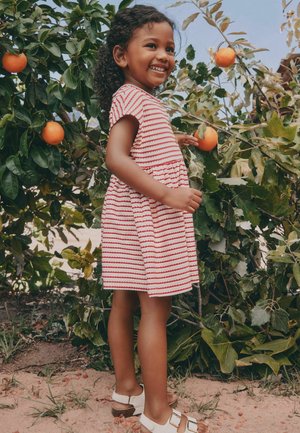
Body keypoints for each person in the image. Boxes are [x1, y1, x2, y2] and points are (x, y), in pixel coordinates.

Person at [94, 5, 207, 433]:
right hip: (145, 217)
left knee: (124, 302)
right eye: (152, 45)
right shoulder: (130, 97)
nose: (164, 55)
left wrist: (170, 136)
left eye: (170, 48)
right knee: (154, 311)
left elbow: (139, 142)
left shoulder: (141, 101)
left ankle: (127, 390)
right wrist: (168, 194)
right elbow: (115, 157)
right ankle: (157, 412)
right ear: (122, 56)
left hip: (127, 217)